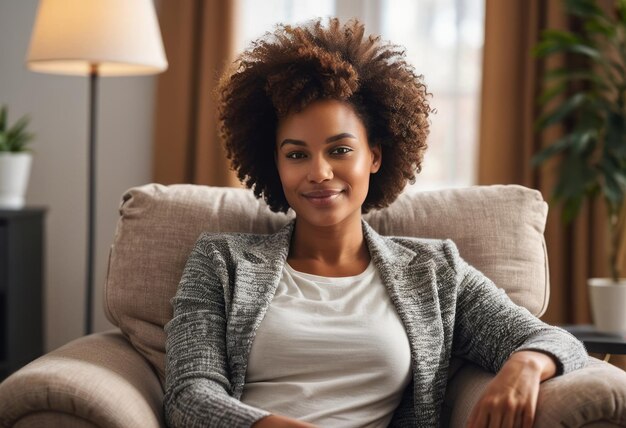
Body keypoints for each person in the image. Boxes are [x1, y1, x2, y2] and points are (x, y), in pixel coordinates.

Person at [164, 17, 587, 428]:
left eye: (340, 150)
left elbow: (553, 339)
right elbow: (189, 396)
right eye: (296, 154)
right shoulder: (221, 261)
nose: (319, 173)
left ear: (375, 156)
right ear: (274, 164)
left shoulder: (433, 271)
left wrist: (525, 365)